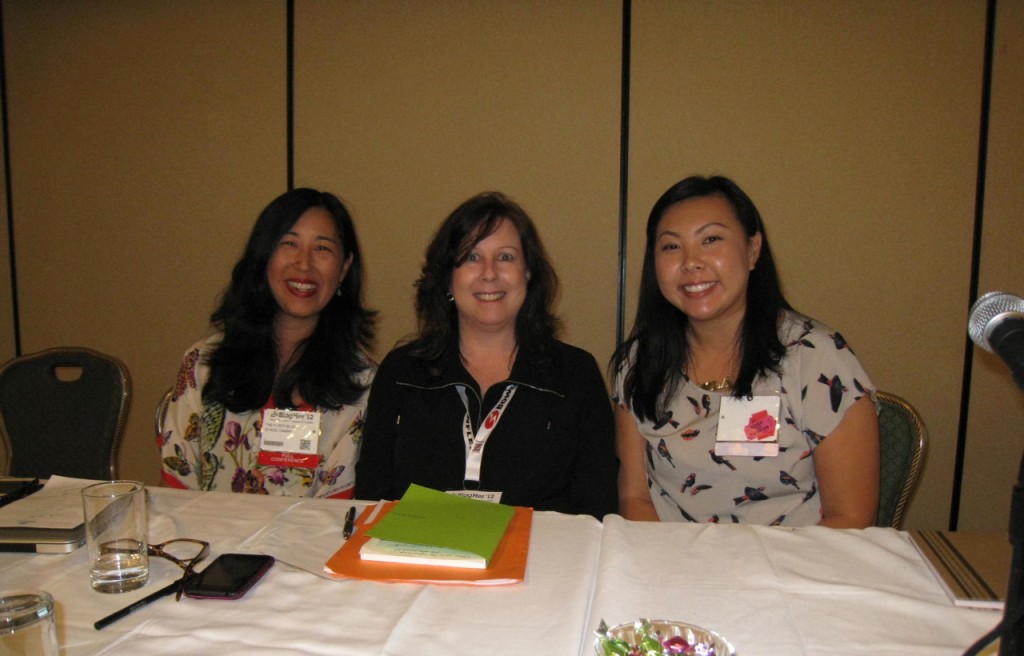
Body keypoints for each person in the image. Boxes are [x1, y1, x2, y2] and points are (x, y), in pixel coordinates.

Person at [611, 175, 879, 527]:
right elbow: (635, 498)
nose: (691, 263)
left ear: (753, 250)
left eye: (711, 239)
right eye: (671, 247)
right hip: (672, 569)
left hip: (790, 572)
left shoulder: (816, 358)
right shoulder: (639, 363)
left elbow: (851, 518)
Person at [356, 192, 618, 518]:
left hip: (540, 562)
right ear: (448, 280)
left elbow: (596, 508)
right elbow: (370, 498)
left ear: (528, 272)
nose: (489, 273)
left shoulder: (575, 375)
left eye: (505, 257)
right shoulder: (402, 373)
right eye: (471, 257)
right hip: (419, 561)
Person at [159, 188, 376, 498]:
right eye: (289, 243)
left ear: (343, 268)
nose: (304, 264)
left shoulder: (363, 383)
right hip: (208, 541)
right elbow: (176, 487)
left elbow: (338, 509)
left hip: (311, 546)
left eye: (323, 248)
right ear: (263, 256)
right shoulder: (203, 363)